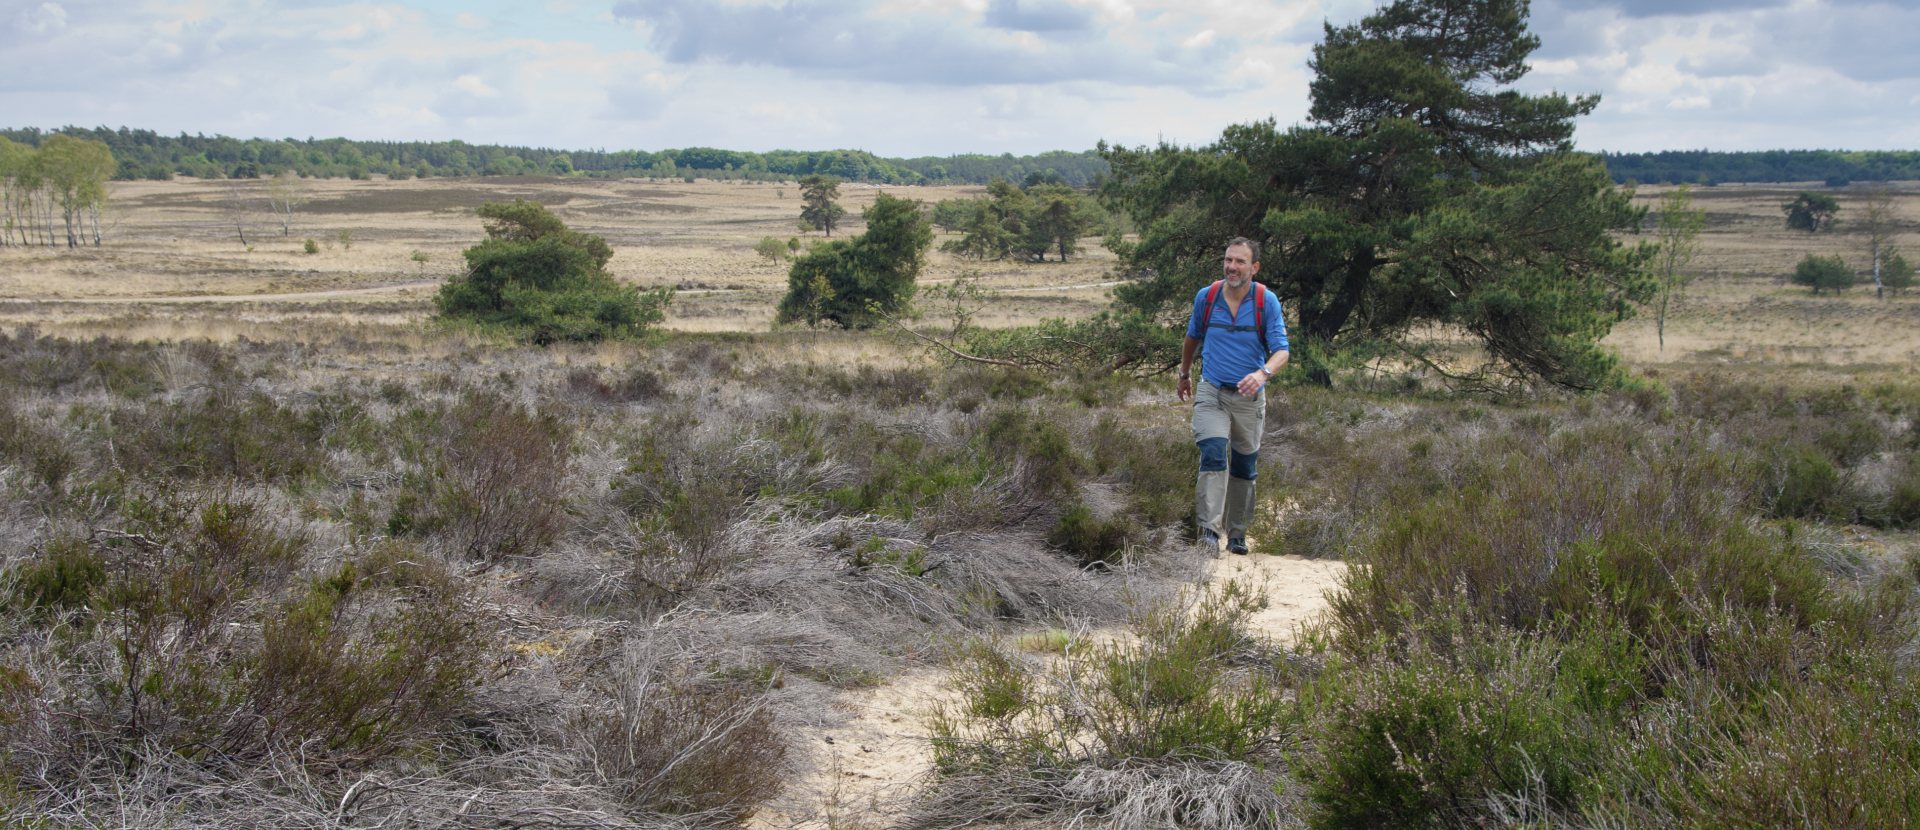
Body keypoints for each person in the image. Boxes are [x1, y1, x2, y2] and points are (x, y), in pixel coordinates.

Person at [1176, 237, 1289, 555]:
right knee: (1213, 451)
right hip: (1212, 390)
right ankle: (1208, 532)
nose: (1232, 267)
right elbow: (1192, 336)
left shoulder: (1266, 301)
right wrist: (1184, 374)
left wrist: (1262, 373)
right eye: (1228, 260)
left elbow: (1282, 351)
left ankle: (1237, 533)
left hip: (1249, 398)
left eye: (1240, 261)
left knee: (1244, 465)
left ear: (1254, 267)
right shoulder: (1208, 297)